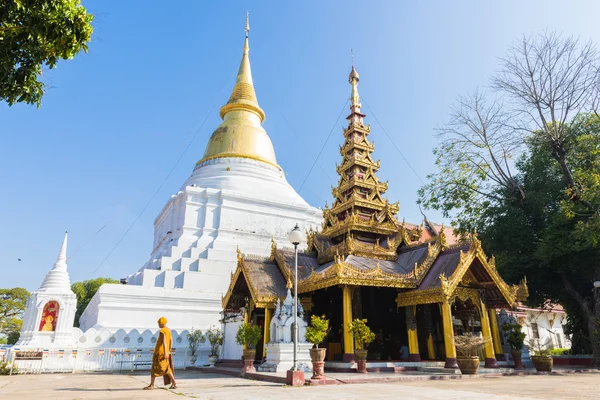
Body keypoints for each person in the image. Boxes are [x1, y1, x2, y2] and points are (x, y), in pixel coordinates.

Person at [144, 317, 177, 390]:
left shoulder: (162, 330)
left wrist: (165, 352)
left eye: (159, 323)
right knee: (167, 368)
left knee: (154, 368)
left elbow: (164, 341)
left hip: (160, 353)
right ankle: (174, 382)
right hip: (166, 352)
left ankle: (151, 385)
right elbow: (171, 340)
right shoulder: (169, 330)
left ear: (162, 323)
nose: (158, 325)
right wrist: (169, 350)